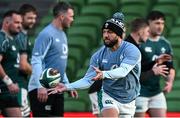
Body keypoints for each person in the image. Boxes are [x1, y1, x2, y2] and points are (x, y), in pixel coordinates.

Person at [48, 12, 142, 118]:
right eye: (104, 32)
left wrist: (103, 74)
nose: (106, 35)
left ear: (119, 34)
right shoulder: (98, 55)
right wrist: (67, 87)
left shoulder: (132, 50)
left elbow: (123, 71)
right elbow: (88, 80)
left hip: (129, 99)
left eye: (110, 32)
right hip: (108, 95)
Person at [28, 1, 78, 117]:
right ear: (62, 17)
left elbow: (59, 65)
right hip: (42, 89)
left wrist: (67, 85)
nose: (72, 19)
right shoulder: (46, 34)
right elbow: (36, 60)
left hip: (56, 87)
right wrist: (40, 86)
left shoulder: (63, 34)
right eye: (71, 16)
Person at [135, 10, 176, 117]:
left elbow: (170, 67)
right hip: (139, 92)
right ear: (149, 23)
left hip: (156, 92)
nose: (160, 26)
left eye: (162, 23)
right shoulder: (140, 42)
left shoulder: (165, 44)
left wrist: (170, 82)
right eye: (157, 23)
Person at [0, 10, 23, 117]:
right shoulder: (2, 38)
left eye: (21, 23)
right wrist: (9, 82)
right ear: (7, 22)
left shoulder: (12, 40)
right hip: (4, 89)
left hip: (9, 92)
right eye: (17, 22)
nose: (20, 26)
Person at [18, 4, 37, 117]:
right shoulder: (20, 37)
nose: (33, 21)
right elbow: (23, 65)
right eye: (29, 18)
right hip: (18, 85)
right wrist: (39, 75)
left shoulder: (22, 36)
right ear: (21, 17)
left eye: (34, 18)